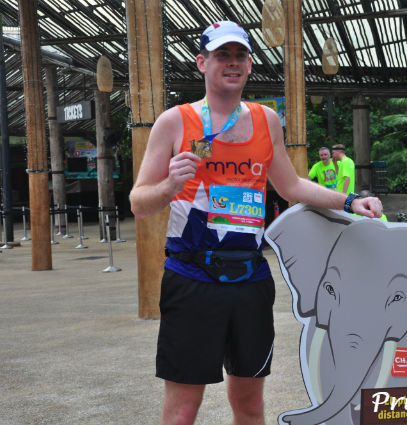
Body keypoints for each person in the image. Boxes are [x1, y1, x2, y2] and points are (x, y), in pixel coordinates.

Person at [128, 21, 383, 425]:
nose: (232, 63)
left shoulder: (267, 120)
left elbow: (291, 185)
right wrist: (169, 185)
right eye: (222, 55)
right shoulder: (175, 121)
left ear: (249, 65)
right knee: (182, 410)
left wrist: (351, 201)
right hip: (192, 279)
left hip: (249, 280)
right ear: (202, 63)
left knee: (250, 406)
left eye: (239, 55)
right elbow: (139, 203)